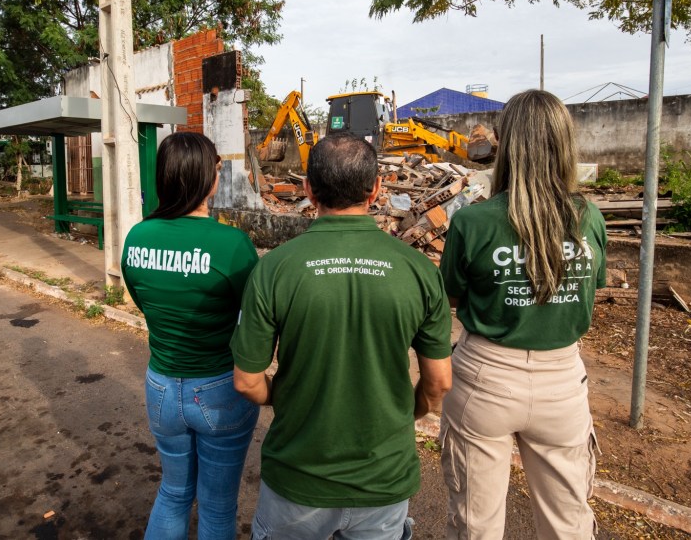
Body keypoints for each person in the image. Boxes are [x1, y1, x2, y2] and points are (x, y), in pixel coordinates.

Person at [231, 132, 453, 539]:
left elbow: (246, 381)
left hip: (297, 479)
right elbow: (438, 382)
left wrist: (286, 397)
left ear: (308, 189)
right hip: (383, 479)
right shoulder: (419, 270)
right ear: (376, 189)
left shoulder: (274, 269)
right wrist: (406, 413)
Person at [438, 90, 607, 539]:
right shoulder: (589, 219)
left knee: (475, 524)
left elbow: (450, 296)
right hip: (563, 382)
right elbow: (591, 289)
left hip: (485, 378)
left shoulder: (472, 222)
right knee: (568, 524)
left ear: (505, 144)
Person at [121, 131, 260, 540]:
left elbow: (144, 302)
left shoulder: (137, 237)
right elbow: (255, 319)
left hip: (161, 387)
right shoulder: (231, 244)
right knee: (217, 507)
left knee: (173, 492)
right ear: (209, 179)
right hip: (220, 388)